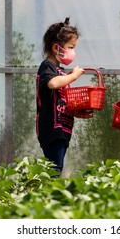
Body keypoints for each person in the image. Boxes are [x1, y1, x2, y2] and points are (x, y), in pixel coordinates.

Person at [36, 17, 86, 173]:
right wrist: (74, 76)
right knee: (54, 170)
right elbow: (52, 84)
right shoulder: (47, 66)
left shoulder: (59, 71)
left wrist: (76, 111)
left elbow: (61, 100)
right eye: (70, 47)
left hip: (62, 130)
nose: (73, 52)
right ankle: (47, 196)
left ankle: (48, 195)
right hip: (52, 130)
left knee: (56, 168)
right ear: (56, 48)